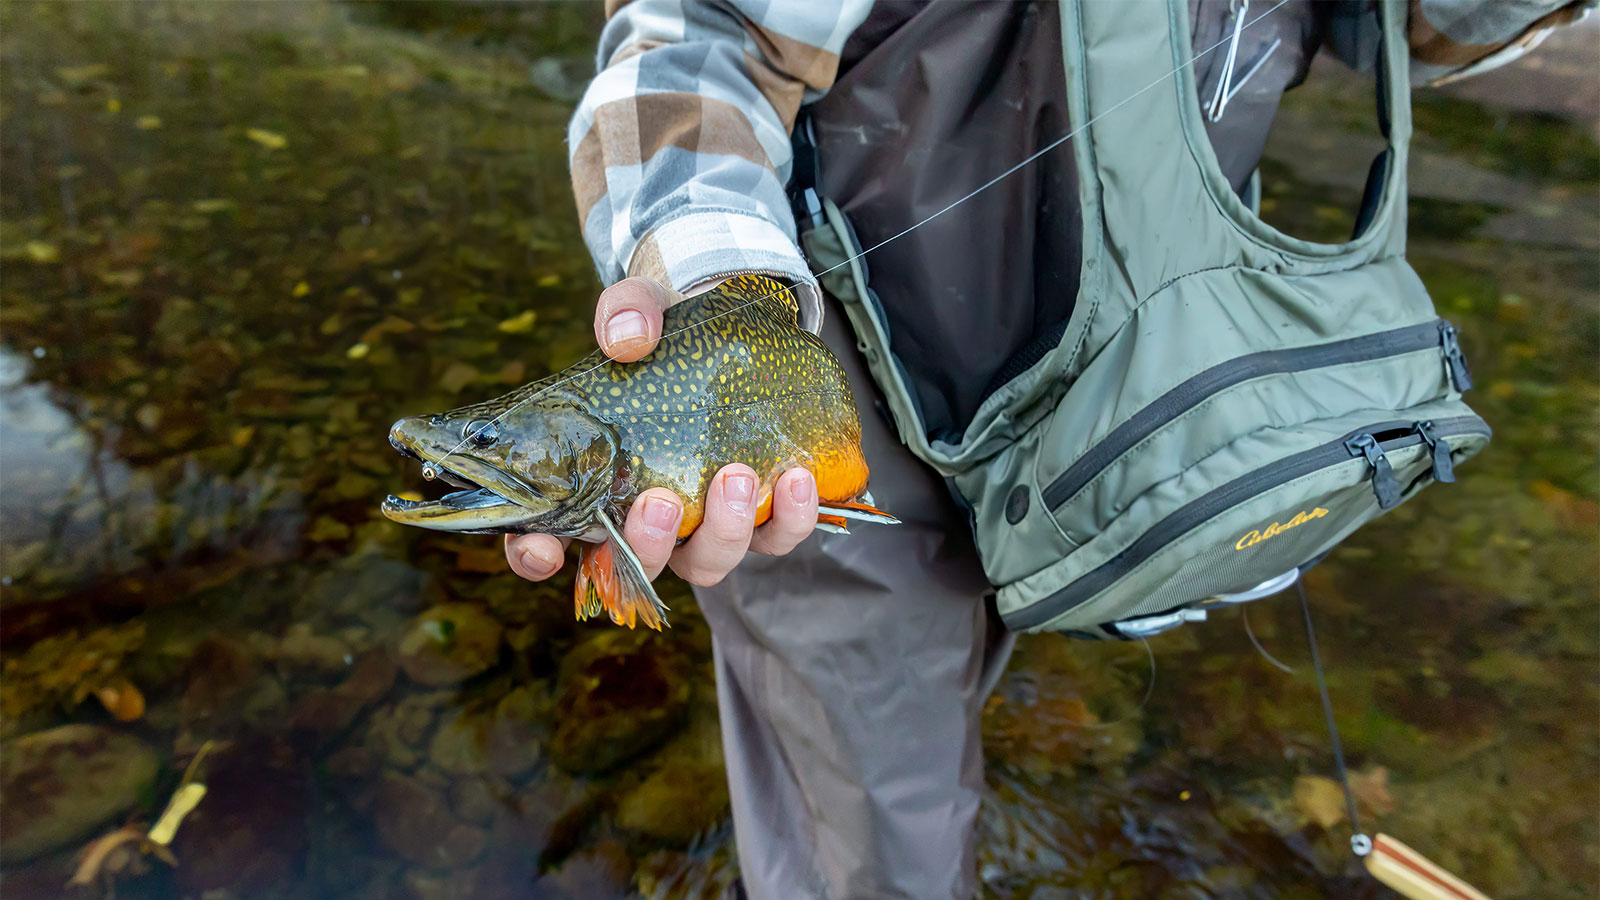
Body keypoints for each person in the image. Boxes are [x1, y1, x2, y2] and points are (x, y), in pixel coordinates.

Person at [501, 2, 1588, 897]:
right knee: (878, 839)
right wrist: (712, 297)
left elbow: (1422, 29)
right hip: (826, 416)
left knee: (939, 737)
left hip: (1111, 412)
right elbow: (702, 36)